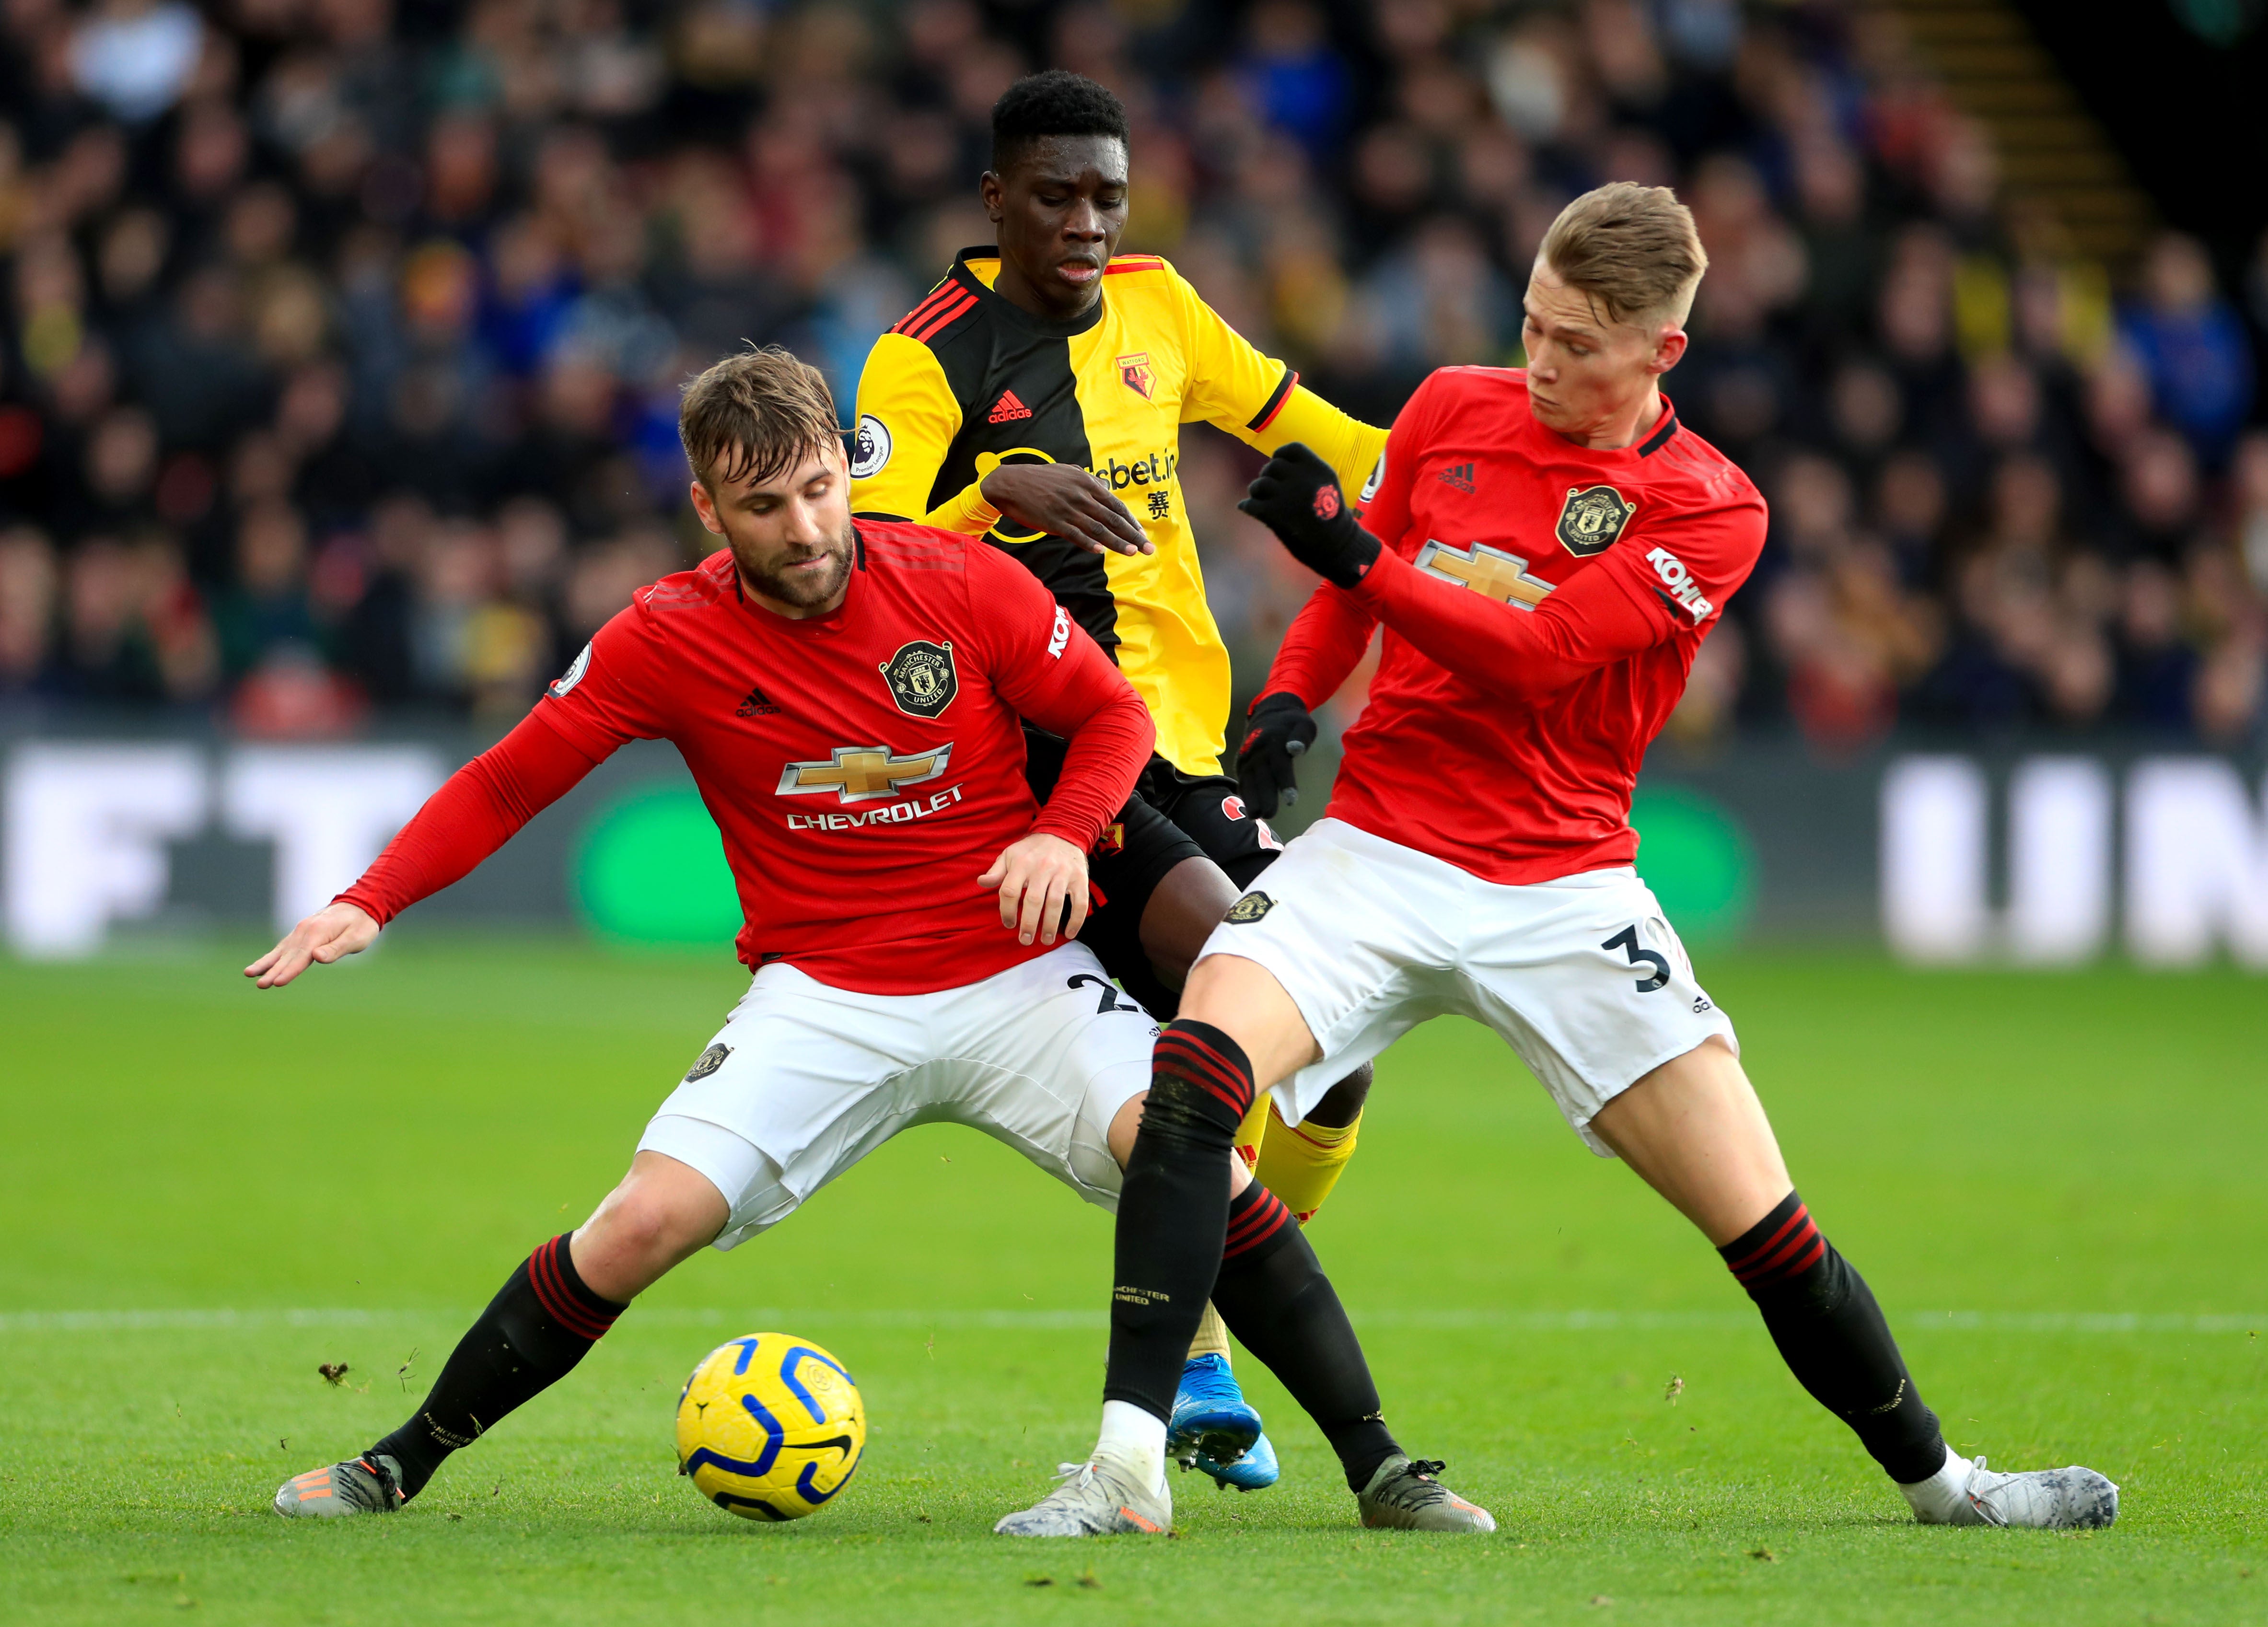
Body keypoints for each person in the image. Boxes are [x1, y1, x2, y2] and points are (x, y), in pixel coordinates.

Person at [1003, 183, 2119, 1538]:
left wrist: (1355, 549)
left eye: (1578, 344)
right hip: (1375, 848)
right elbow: (1349, 594)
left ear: (1663, 352)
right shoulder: (1446, 409)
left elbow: (1534, 659)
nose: (1539, 362)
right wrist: (1292, 694)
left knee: (1761, 1222)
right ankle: (1124, 1468)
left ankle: (1946, 1484)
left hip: (1564, 889)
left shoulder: (1711, 508)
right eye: (1531, 325)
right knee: (1191, 1078)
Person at [258, 347, 1266, 1521]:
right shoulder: (664, 637)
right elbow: (504, 782)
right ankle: (399, 1460)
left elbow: (1109, 713)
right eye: (761, 504)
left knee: (1203, 1154)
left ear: (843, 465)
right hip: (826, 994)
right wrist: (368, 897)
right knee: (639, 1223)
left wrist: (1062, 831)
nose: (800, 525)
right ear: (706, 507)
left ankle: (1369, 1456)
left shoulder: (950, 575)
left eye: (814, 488)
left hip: (1019, 972)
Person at [850, 70, 1388, 1490]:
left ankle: (1216, 1327)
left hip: (1193, 742)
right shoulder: (926, 357)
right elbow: (856, 562)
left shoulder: (1158, 304)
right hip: (1054, 749)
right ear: (993, 201)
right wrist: (994, 493)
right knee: (1252, 995)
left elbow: (1320, 433)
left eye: (1106, 193)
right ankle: (1207, 1364)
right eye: (1054, 195)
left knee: (1327, 1053)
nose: (1086, 221)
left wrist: (1468, 482)